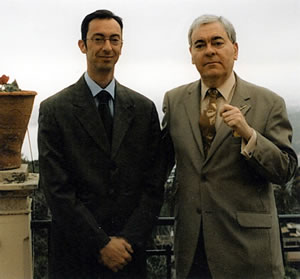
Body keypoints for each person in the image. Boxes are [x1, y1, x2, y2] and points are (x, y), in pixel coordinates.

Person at [161, 14, 298, 279]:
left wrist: (249, 135)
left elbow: (285, 170)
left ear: (234, 50)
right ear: (191, 54)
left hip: (248, 252)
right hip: (192, 250)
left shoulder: (268, 102)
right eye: (200, 45)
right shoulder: (174, 100)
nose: (209, 50)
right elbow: (159, 165)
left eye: (217, 42)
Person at [38, 9, 164, 279]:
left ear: (121, 46)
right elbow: (56, 189)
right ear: (82, 45)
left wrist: (126, 242)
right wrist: (101, 244)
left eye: (114, 39)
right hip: (75, 257)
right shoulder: (55, 109)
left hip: (129, 258)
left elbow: (154, 186)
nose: (107, 46)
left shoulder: (143, 109)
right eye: (98, 39)